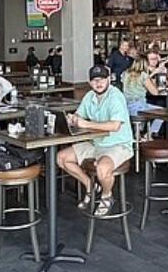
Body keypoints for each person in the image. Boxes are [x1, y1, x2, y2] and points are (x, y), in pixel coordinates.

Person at [57, 65, 135, 216]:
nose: (98, 83)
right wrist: (73, 118)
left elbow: (115, 125)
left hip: (117, 144)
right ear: (90, 82)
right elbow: (79, 115)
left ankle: (106, 195)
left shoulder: (115, 96)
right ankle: (90, 186)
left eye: (102, 80)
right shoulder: (89, 96)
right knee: (61, 158)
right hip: (95, 142)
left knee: (102, 168)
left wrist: (86, 124)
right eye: (95, 80)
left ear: (108, 80)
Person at [123, 56, 164, 137]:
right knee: (162, 112)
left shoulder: (125, 73)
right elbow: (155, 92)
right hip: (139, 106)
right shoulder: (143, 75)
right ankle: (149, 134)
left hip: (127, 107)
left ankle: (138, 134)